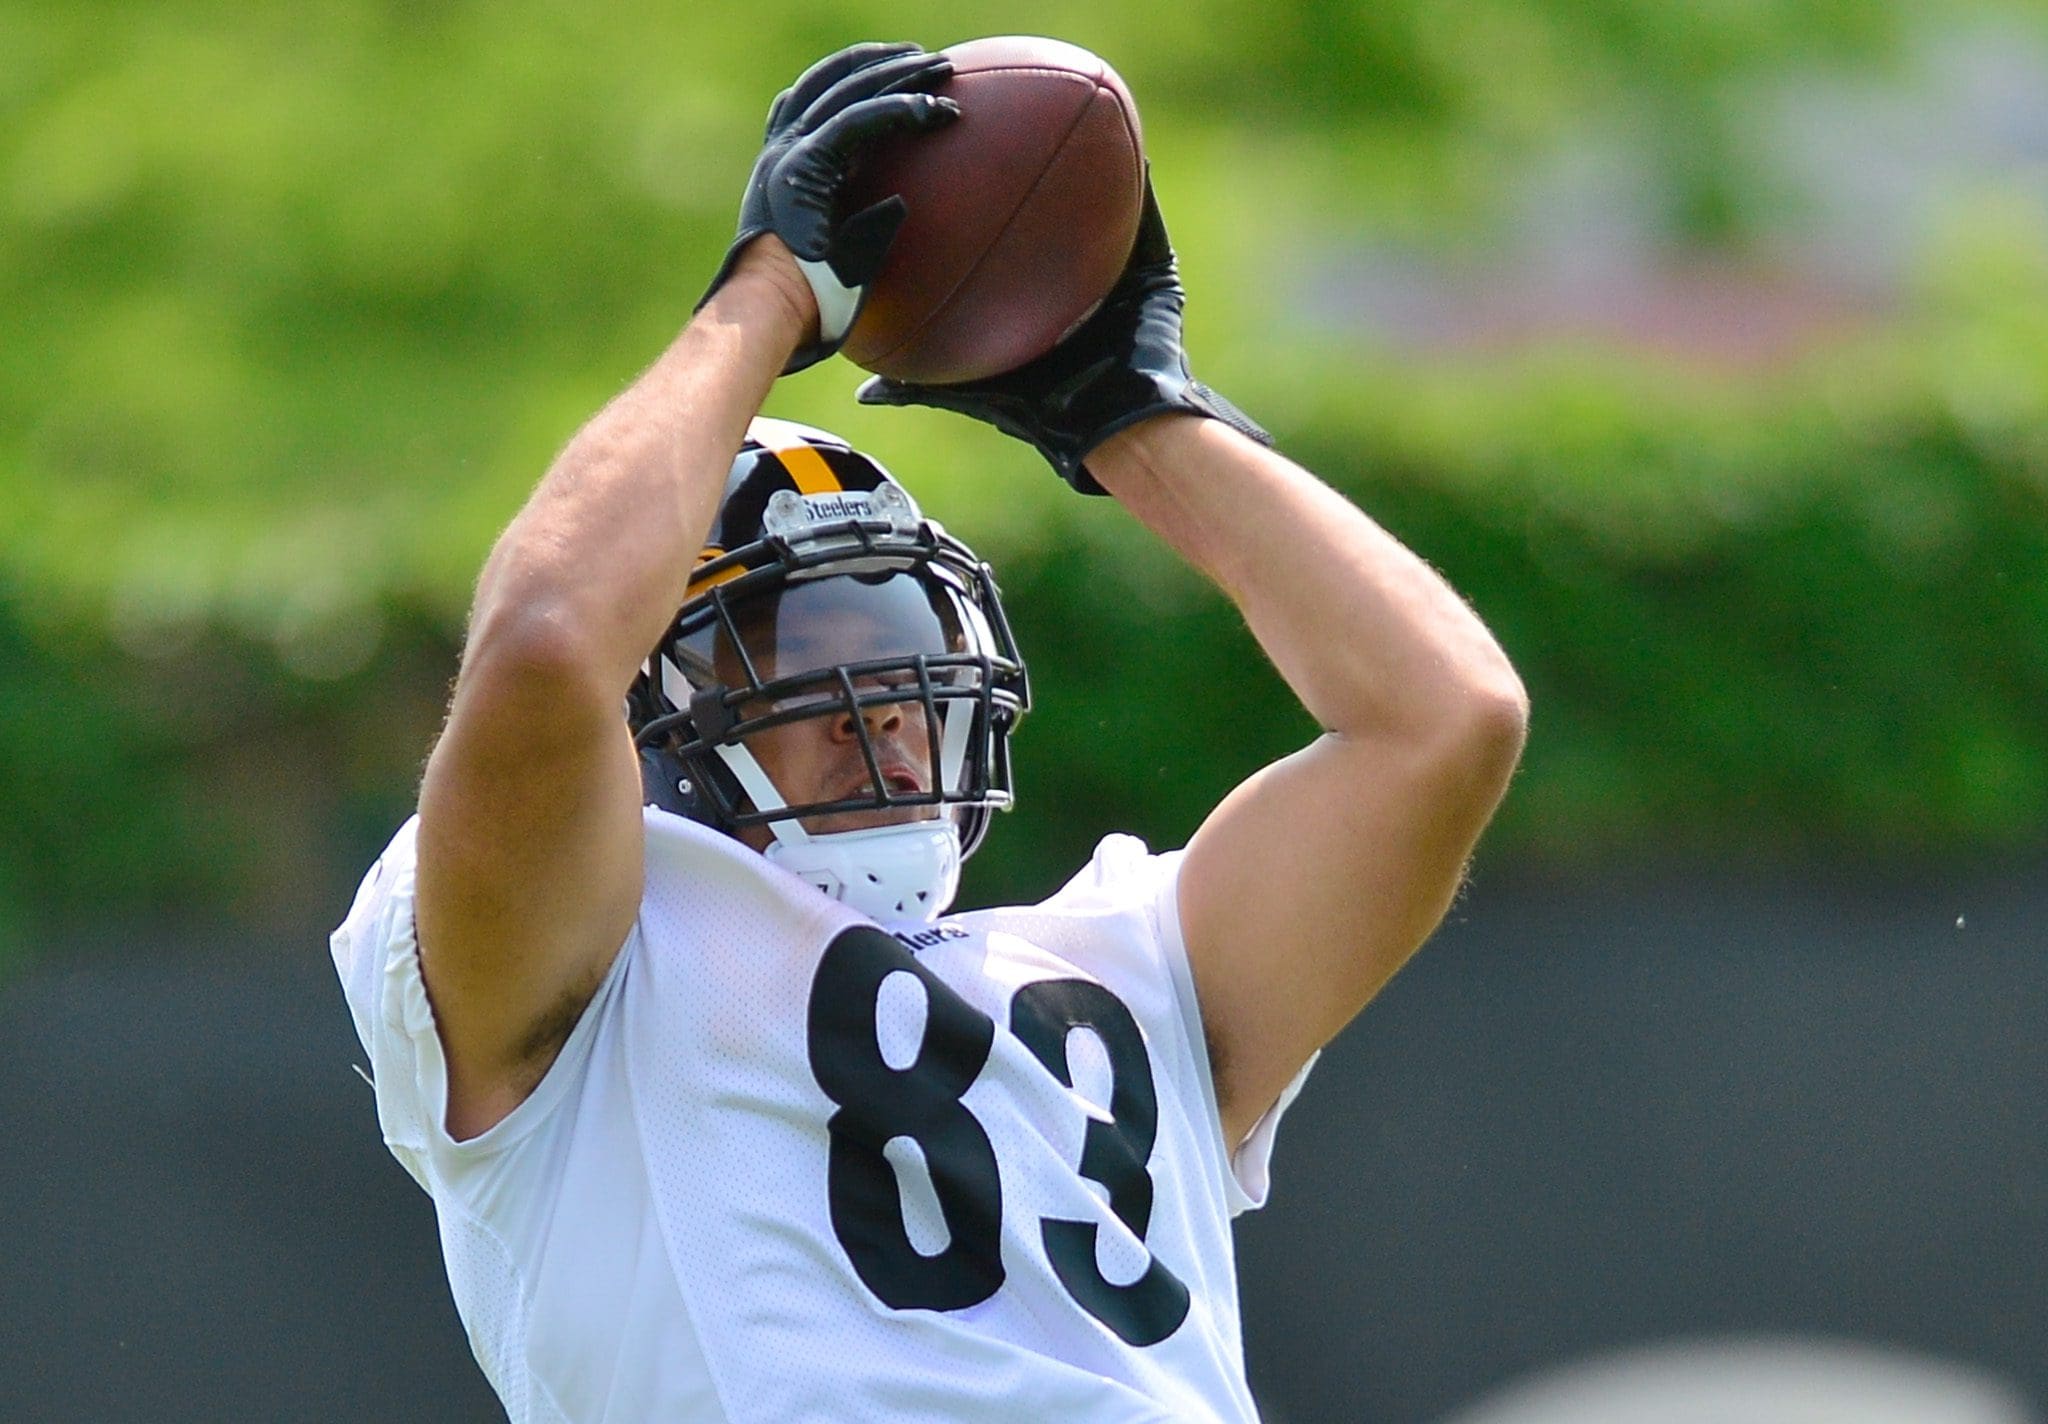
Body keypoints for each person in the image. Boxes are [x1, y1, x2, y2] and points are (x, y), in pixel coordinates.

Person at [331, 41, 1527, 1424]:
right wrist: (768, 294)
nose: (884, 705)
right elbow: (542, 647)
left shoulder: (1133, 962)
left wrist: (1134, 418)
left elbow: (1443, 719)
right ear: (649, 711)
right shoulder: (583, 983)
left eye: (906, 649)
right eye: (807, 653)